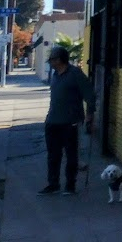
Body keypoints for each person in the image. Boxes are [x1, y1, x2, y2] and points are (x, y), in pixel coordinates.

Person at [40, 47, 96, 196]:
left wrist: (90, 115)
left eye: (52, 59)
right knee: (53, 154)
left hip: (70, 121)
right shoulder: (55, 74)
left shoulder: (75, 74)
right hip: (52, 120)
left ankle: (70, 185)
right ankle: (53, 184)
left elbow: (90, 94)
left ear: (59, 60)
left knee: (71, 154)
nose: (50, 62)